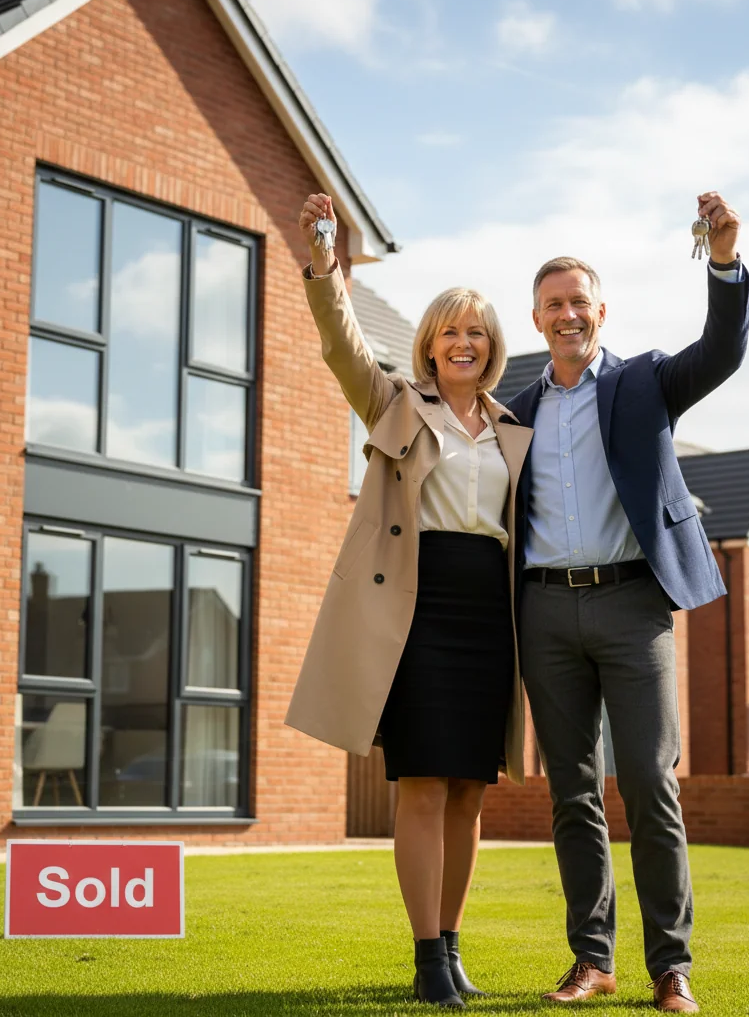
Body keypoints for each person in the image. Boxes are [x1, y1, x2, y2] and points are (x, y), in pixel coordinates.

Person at [285, 193, 533, 1008]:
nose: (463, 343)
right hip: (416, 615)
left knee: (469, 791)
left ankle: (453, 945)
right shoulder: (396, 402)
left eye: (477, 333)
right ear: (428, 344)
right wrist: (326, 263)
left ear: (492, 349)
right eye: (450, 331)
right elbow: (341, 347)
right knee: (423, 783)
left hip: (490, 617)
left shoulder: (511, 429)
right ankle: (427, 958)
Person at [506, 192, 749, 1013]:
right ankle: (592, 959)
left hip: (632, 607)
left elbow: (720, 351)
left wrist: (723, 259)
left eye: (579, 301)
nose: (568, 314)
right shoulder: (518, 406)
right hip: (544, 612)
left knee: (648, 782)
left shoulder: (645, 381)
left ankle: (670, 967)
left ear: (600, 310)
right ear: (536, 319)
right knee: (571, 790)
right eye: (553, 305)